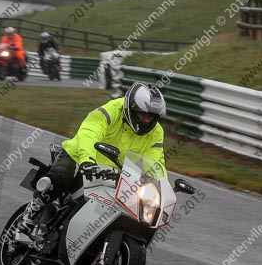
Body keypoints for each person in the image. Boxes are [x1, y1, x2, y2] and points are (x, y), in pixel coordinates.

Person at [16, 82, 167, 239]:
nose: (146, 120)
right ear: (130, 108)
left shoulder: (156, 132)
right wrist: (87, 161)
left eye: (151, 117)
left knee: (136, 208)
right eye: (142, 114)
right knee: (59, 179)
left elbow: (156, 161)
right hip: (81, 157)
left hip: (115, 173)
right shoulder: (112, 110)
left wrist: (159, 186)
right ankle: (32, 213)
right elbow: (89, 132)